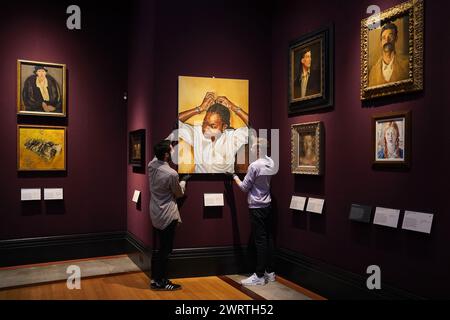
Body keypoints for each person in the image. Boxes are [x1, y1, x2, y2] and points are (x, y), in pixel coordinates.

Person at [228, 138, 277, 286]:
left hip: (256, 206)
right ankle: (270, 272)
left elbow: (244, 187)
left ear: (257, 150)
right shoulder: (271, 162)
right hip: (268, 204)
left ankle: (259, 276)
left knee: (260, 241)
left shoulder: (254, 166)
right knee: (268, 238)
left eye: (252, 149)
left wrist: (234, 176)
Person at [148, 140, 190, 291]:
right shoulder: (171, 173)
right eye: (171, 150)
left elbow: (157, 153)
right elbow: (178, 193)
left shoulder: (151, 165)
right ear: (166, 155)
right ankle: (162, 281)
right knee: (165, 250)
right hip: (167, 214)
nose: (173, 152)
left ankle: (155, 278)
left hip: (155, 212)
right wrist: (184, 181)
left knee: (160, 248)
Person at [177, 92, 249, 173]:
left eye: (213, 126)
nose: (205, 129)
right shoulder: (197, 133)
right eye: (204, 123)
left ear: (224, 127)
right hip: (199, 182)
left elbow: (255, 128)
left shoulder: (232, 137)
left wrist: (233, 107)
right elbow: (175, 123)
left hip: (223, 182)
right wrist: (199, 109)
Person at [369, 23, 409, 87]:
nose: (387, 40)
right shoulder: (373, 71)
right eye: (384, 38)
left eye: (390, 36)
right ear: (381, 42)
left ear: (396, 38)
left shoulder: (406, 65)